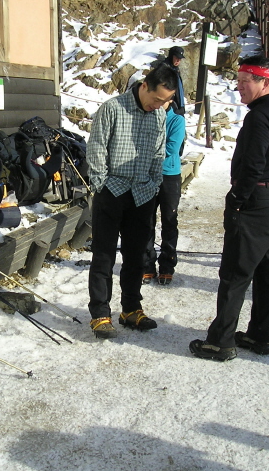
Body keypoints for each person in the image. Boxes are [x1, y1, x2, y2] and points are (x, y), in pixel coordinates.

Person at [189, 55, 269, 361]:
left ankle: (220, 342)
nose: (239, 88)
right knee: (265, 272)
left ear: (265, 82)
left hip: (257, 203)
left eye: (245, 81)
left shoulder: (260, 117)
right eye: (237, 81)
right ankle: (259, 335)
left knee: (235, 274)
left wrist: (236, 199)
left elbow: (253, 165)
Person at [86, 64, 178, 338]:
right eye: (157, 99)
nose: (159, 105)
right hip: (111, 191)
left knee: (136, 255)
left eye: (166, 101)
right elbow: (97, 147)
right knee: (104, 254)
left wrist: (153, 183)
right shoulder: (113, 108)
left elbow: (160, 152)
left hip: (143, 194)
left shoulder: (159, 116)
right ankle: (101, 313)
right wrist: (101, 182)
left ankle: (130, 309)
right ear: (144, 86)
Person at [143, 87, 186, 286]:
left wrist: (145, 150)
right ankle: (147, 264)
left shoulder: (177, 121)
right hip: (148, 175)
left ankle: (167, 265)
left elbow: (171, 149)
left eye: (165, 100)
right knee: (146, 221)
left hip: (169, 176)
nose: (160, 104)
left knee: (169, 221)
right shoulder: (148, 117)